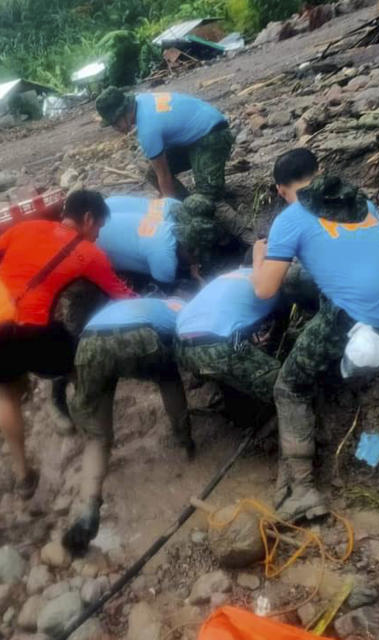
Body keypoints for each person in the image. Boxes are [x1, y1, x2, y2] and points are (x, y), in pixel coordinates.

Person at [251, 148, 379, 522]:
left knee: (288, 387)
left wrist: (260, 256)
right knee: (302, 280)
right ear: (319, 172)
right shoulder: (360, 200)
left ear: (279, 190)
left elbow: (264, 291)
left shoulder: (290, 218)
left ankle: (303, 491)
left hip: (352, 316)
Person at [0, 190, 135, 498]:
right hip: (34, 330)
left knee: (7, 397)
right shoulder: (89, 254)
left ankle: (22, 475)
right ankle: (93, 435)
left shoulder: (25, 228)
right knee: (81, 370)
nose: (98, 236)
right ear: (88, 219)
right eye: (99, 228)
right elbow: (121, 294)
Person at [64, 297, 194, 555]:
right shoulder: (179, 306)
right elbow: (190, 338)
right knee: (168, 377)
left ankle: (88, 509)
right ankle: (185, 440)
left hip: (91, 343)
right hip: (139, 338)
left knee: (97, 438)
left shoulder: (129, 305)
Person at [96, 88, 251, 273]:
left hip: (213, 135)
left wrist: (170, 215)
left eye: (115, 124)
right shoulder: (141, 101)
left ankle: (252, 238)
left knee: (210, 199)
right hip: (195, 135)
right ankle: (192, 213)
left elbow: (165, 177)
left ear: (123, 113)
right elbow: (159, 172)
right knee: (151, 173)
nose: (115, 129)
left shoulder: (148, 130)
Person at [175, 268, 282, 428]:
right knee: (285, 385)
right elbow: (278, 317)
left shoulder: (231, 277)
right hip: (215, 347)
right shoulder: (270, 282)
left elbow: (234, 316)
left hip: (181, 347)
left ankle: (242, 420)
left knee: (227, 372)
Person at [96, 195, 199, 285]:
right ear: (190, 250)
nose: (197, 261)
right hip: (93, 247)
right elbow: (167, 290)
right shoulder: (164, 258)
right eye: (197, 258)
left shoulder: (173, 204)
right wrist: (197, 278)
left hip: (103, 209)